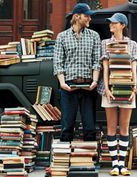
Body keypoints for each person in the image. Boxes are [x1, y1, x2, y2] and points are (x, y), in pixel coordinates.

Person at [98, 13, 137, 176]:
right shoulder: (105, 43)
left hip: (127, 89)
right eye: (110, 24)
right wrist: (107, 89)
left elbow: (133, 67)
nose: (110, 25)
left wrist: (135, 86)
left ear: (122, 25)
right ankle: (115, 165)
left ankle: (122, 165)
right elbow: (105, 67)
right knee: (110, 127)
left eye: (113, 23)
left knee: (124, 128)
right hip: (109, 89)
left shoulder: (132, 44)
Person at [53, 3, 101, 142]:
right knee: (67, 127)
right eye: (86, 16)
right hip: (68, 87)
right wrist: (62, 83)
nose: (89, 19)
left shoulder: (94, 36)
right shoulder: (62, 37)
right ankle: (65, 161)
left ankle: (90, 162)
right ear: (76, 16)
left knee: (90, 127)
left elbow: (96, 61)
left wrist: (95, 81)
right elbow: (58, 62)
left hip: (88, 87)